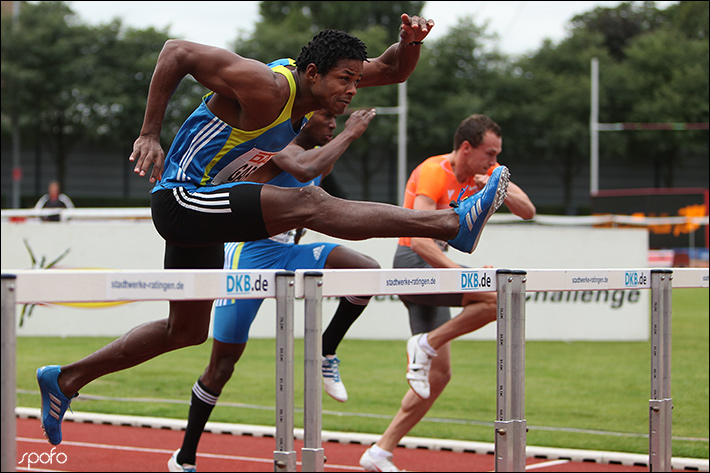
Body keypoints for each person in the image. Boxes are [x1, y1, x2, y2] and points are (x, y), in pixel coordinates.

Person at [36, 15, 510, 447]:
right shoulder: (267, 86)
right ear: (312, 75)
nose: (351, 91)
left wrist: (408, 43)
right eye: (344, 80)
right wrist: (149, 133)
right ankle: (452, 221)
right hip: (182, 196)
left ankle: (66, 379)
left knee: (185, 331)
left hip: (206, 210)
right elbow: (175, 52)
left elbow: (394, 69)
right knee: (309, 204)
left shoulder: (316, 94)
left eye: (354, 81)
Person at [168, 104, 379, 472]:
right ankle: (185, 457)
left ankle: (326, 351)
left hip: (288, 253)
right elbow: (304, 169)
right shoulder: (278, 142)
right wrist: (352, 132)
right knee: (223, 365)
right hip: (248, 256)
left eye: (337, 120)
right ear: (306, 116)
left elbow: (317, 174)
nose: (333, 124)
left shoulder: (319, 155)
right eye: (327, 117)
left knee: (367, 271)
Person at [359, 114, 535, 472]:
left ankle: (379, 451)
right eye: (489, 154)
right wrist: (466, 278)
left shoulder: (484, 173)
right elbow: (421, 241)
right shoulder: (433, 171)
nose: (493, 161)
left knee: (438, 376)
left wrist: (496, 185)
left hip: (435, 271)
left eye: (497, 155)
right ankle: (424, 344)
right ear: (466, 148)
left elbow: (527, 210)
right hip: (413, 264)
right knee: (498, 298)